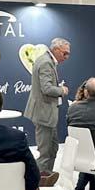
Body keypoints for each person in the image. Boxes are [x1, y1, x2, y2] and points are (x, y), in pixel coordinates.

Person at [24, 38, 70, 173]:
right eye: (65, 53)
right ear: (55, 49)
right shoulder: (46, 62)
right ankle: (40, 181)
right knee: (45, 153)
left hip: (46, 114)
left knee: (52, 149)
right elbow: (47, 89)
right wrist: (62, 90)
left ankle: (48, 177)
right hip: (44, 114)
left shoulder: (46, 60)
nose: (66, 57)